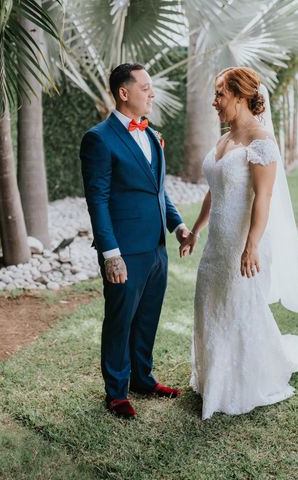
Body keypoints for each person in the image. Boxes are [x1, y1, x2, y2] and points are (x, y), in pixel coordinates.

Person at [179, 67, 298, 420]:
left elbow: (264, 197)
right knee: (209, 304)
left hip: (243, 242)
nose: (214, 102)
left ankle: (243, 382)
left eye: (220, 95)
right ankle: (213, 376)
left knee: (237, 308)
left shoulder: (261, 142)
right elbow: (214, 192)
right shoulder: (224, 139)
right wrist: (197, 230)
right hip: (216, 243)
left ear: (241, 97)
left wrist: (251, 245)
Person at [80, 63, 189, 419]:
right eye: (145, 87)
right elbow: (97, 200)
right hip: (124, 250)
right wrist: (111, 254)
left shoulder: (153, 135)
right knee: (120, 319)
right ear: (123, 93)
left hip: (157, 246)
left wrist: (177, 227)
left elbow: (159, 191)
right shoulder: (99, 138)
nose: (152, 93)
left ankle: (143, 377)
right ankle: (116, 392)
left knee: (147, 316)